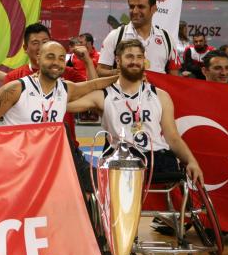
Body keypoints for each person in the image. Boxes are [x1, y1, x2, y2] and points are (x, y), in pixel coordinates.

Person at [67, 39, 204, 187]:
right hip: (120, 160)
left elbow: (173, 137)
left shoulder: (161, 96)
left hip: (156, 158)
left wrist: (191, 161)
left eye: (139, 57)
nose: (135, 61)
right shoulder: (104, 95)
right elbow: (64, 104)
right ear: (118, 61)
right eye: (129, 57)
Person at [0, 41, 118, 127]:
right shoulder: (15, 89)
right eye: (50, 57)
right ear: (38, 59)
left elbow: (93, 85)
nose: (56, 63)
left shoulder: (66, 88)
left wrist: (122, 76)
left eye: (61, 58)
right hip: (18, 163)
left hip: (48, 162)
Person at [97, 0, 178, 76]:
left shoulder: (167, 38)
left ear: (153, 9)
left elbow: (174, 78)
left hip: (158, 89)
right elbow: (100, 71)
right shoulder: (115, 36)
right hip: (124, 89)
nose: (135, 11)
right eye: (132, 7)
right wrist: (118, 73)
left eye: (141, 7)